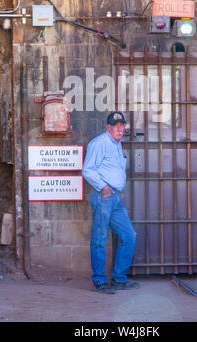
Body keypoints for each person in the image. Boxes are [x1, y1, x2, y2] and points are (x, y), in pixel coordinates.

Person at [82, 111, 139, 294]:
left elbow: (114, 169)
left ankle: (118, 279)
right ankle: (99, 281)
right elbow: (88, 170)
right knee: (99, 239)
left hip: (114, 198)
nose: (120, 128)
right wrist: (104, 187)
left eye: (122, 125)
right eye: (116, 125)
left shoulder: (117, 143)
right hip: (103, 197)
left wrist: (118, 189)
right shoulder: (100, 143)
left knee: (129, 235)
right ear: (108, 128)